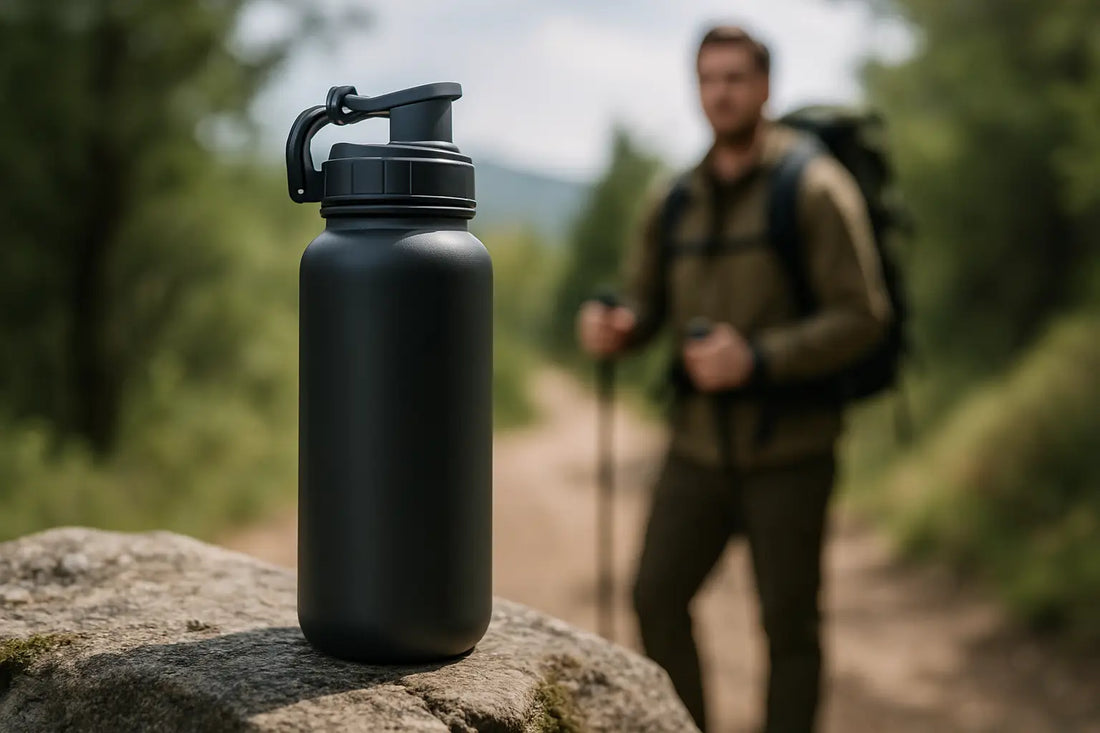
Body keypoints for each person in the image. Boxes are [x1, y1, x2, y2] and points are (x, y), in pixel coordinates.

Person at [575, 25, 891, 733]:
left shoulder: (814, 188)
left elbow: (864, 315)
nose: (720, 93)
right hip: (694, 449)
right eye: (708, 79)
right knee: (656, 595)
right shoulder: (674, 199)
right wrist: (617, 326)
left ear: (766, 87)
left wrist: (758, 358)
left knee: (788, 628)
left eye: (735, 79)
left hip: (793, 451)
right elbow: (644, 303)